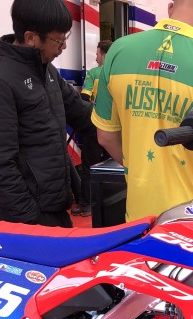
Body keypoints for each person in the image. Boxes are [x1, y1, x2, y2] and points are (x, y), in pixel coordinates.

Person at [91, 0, 193, 223]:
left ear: (171, 8)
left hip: (138, 217)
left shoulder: (118, 51)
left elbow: (106, 137)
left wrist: (142, 170)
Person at [0, 0, 93, 227]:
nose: (64, 47)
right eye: (59, 40)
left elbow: (82, 114)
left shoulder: (48, 72)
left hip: (56, 208)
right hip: (28, 218)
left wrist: (125, 123)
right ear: (31, 38)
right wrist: (29, 218)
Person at [71, 39, 113, 217]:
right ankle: (111, 201)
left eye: (97, 54)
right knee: (112, 165)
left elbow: (84, 97)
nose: (96, 58)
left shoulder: (94, 73)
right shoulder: (119, 72)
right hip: (116, 128)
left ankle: (87, 205)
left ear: (103, 54)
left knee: (89, 166)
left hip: (96, 126)